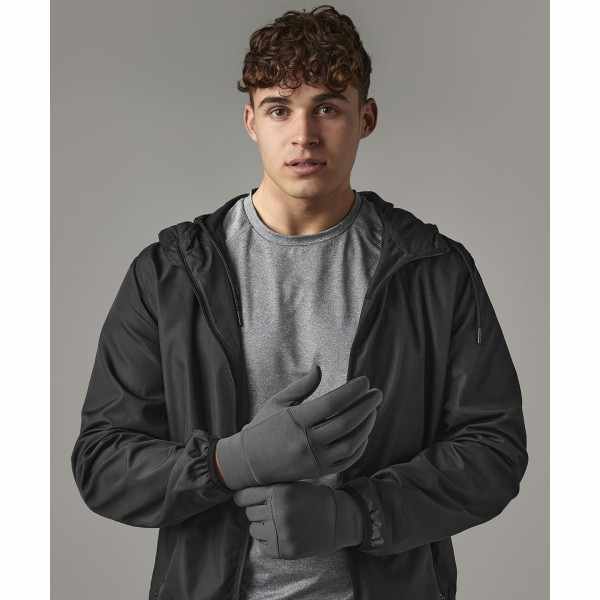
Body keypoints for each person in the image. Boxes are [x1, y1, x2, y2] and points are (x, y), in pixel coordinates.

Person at [70, 5, 528, 600]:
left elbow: (493, 449)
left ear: (366, 118)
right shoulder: (170, 274)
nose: (304, 135)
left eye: (328, 108)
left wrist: (356, 515)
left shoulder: (433, 270)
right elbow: (103, 463)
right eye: (279, 108)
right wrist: (230, 463)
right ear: (251, 121)